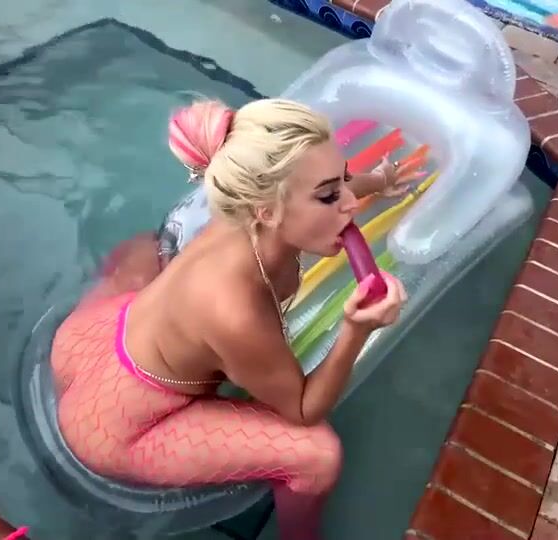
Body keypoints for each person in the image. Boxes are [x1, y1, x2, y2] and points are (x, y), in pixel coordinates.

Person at [49, 98, 422, 540]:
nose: (350, 203)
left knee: (146, 251)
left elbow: (316, 188)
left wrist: (378, 180)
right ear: (266, 210)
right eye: (329, 195)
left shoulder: (246, 209)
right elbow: (303, 409)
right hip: (118, 429)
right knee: (318, 456)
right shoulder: (237, 310)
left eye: (343, 181)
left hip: (94, 337)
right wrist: (356, 329)